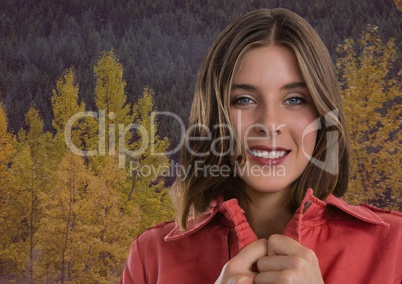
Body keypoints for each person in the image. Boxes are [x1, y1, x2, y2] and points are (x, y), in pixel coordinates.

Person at [120, 8, 402, 284]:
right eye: (244, 100)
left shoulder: (395, 248)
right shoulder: (152, 257)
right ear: (215, 117)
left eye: (294, 99)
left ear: (322, 115)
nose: (269, 123)